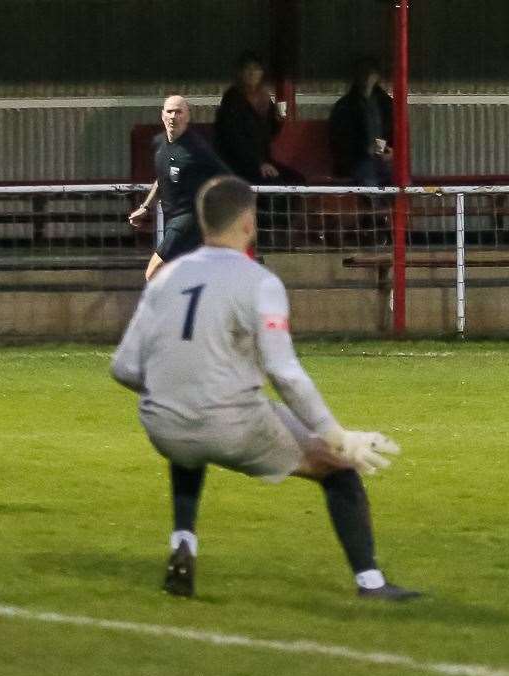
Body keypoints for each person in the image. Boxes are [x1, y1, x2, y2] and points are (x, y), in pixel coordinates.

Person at [110, 176, 418, 600]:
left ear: (202, 223)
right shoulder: (258, 281)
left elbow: (124, 367)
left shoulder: (166, 277)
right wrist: (337, 436)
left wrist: (170, 388)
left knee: (189, 438)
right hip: (230, 423)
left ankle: (184, 538)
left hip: (165, 425)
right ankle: (372, 583)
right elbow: (285, 372)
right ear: (249, 222)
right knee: (338, 468)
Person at [127, 95, 230, 281]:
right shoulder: (160, 144)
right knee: (188, 278)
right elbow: (162, 179)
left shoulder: (197, 149)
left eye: (179, 112)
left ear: (187, 116)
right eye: (169, 111)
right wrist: (145, 207)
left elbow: (226, 179)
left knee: (153, 272)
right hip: (171, 219)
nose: (174, 116)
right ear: (162, 115)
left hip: (188, 221)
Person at [214, 51, 302, 185]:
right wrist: (258, 163)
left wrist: (278, 120)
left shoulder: (263, 97)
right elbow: (233, 139)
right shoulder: (232, 99)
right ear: (240, 73)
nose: (252, 73)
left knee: (296, 180)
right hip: (239, 163)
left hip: (263, 160)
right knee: (275, 184)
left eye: (256, 69)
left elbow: (270, 133)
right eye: (248, 69)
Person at [329, 59, 394, 186]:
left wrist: (392, 150)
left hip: (382, 159)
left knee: (397, 179)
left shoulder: (386, 103)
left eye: (371, 73)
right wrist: (364, 150)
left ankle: (388, 205)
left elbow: (394, 131)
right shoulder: (345, 106)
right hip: (355, 161)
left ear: (377, 76)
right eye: (363, 72)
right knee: (370, 177)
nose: (367, 77)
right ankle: (375, 205)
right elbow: (339, 140)